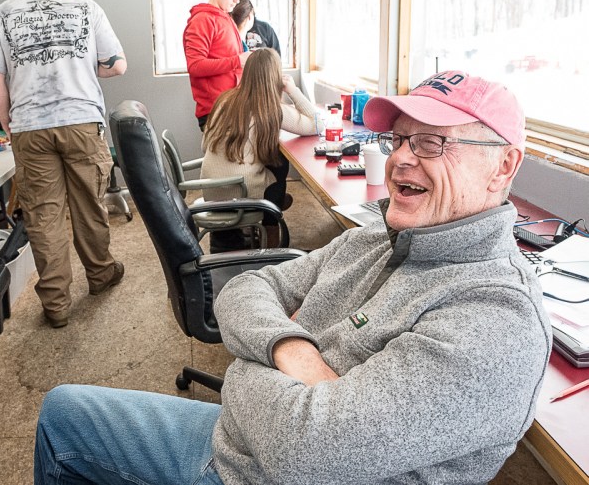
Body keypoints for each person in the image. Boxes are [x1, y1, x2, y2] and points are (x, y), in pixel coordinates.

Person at [34, 71, 551, 484]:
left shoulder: (495, 322)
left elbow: (300, 452)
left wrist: (247, 361)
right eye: (398, 140)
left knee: (64, 426)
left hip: (252, 467)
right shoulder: (377, 235)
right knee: (61, 411)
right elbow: (245, 289)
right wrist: (291, 349)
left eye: (432, 144)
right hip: (244, 443)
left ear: (504, 165)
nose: (399, 160)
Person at [0, 0, 127, 329]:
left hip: (29, 126)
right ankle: (100, 275)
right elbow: (117, 65)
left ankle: (57, 305)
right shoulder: (85, 7)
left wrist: (8, 123)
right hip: (80, 121)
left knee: (43, 216)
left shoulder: (5, 12)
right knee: (89, 205)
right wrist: (87, 69)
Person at [202, 48, 323, 247]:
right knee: (279, 162)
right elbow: (317, 125)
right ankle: (271, 229)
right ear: (275, 77)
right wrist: (293, 90)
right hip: (238, 192)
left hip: (211, 190)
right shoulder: (271, 109)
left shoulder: (224, 100)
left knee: (270, 159)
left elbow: (204, 145)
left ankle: (273, 207)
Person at [183, 0, 251, 131]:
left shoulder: (226, 18)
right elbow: (195, 66)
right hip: (217, 112)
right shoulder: (203, 20)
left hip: (233, 107)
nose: (237, 0)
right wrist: (237, 61)